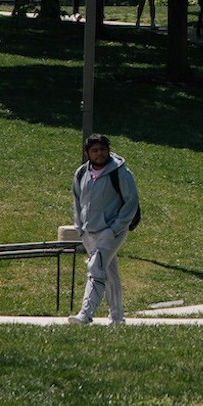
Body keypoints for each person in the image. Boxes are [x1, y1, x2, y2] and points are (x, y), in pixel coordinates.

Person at [69, 134, 140, 324]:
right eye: (94, 150)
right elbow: (77, 202)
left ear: (108, 150)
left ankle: (86, 314)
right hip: (89, 232)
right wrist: (80, 228)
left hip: (112, 232)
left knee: (95, 268)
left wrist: (115, 228)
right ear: (87, 154)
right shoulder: (81, 174)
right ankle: (117, 318)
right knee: (109, 272)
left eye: (102, 149)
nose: (99, 153)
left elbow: (131, 203)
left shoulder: (121, 173)